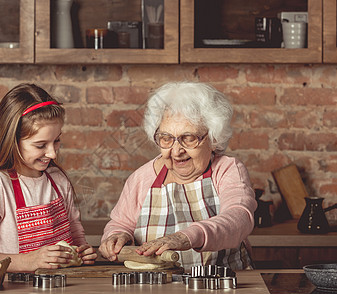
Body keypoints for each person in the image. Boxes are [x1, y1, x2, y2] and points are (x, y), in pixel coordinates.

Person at [99, 82, 257, 271]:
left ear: (213, 138)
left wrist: (186, 237)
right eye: (166, 138)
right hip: (156, 289)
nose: (176, 151)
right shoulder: (141, 178)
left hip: (222, 284)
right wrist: (117, 236)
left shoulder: (227, 170)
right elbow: (120, 223)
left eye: (188, 138)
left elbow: (239, 218)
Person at [0, 83, 97, 272]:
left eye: (56, 140)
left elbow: (75, 235)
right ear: (12, 141)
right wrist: (28, 261)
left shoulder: (58, 180)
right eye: (41, 145)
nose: (52, 154)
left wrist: (83, 252)